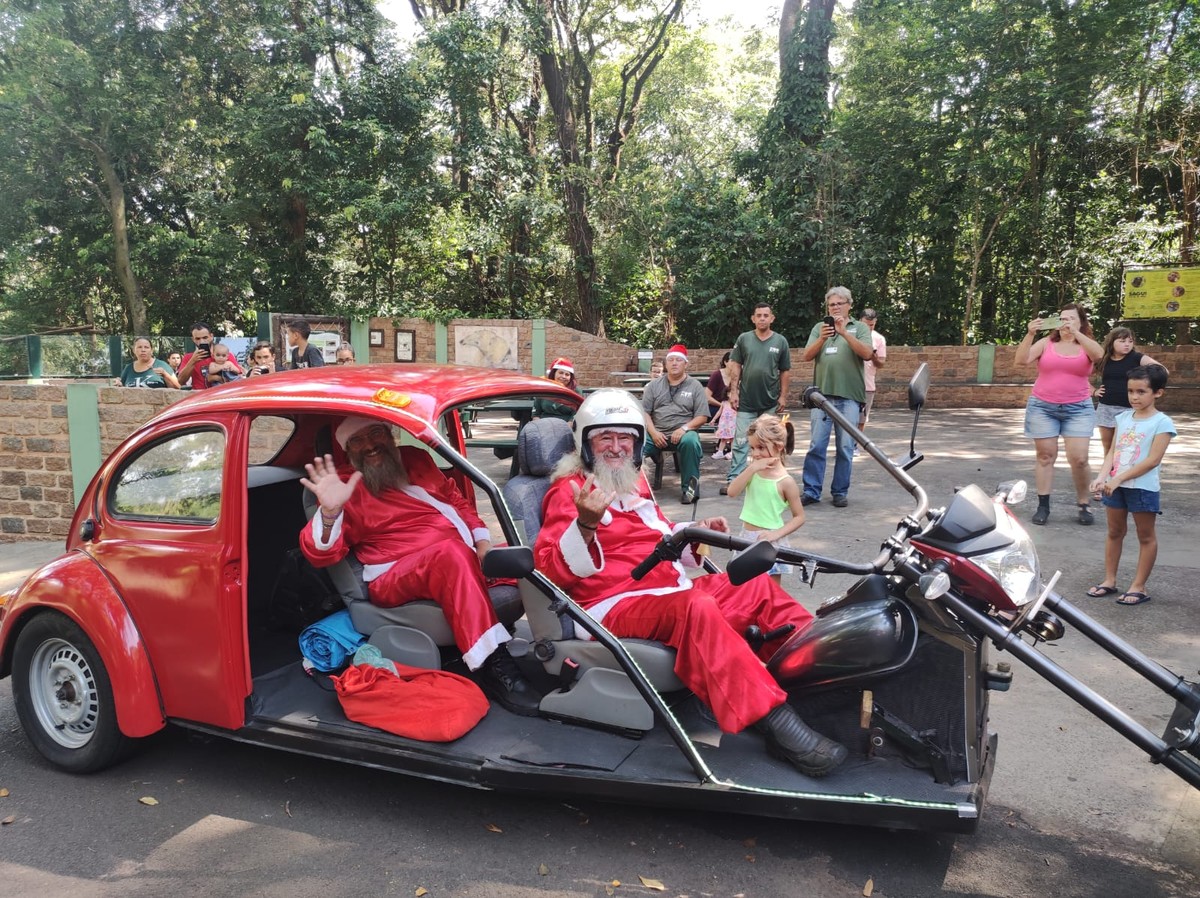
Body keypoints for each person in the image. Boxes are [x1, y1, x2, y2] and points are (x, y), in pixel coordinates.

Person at [533, 389, 846, 778]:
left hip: (664, 591)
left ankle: (824, 678)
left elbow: (658, 536)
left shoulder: (632, 483)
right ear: (586, 442)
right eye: (605, 438)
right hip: (610, 604)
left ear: (636, 443)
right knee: (695, 608)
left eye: (625, 438)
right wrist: (585, 523)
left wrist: (692, 532)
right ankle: (778, 724)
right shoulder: (568, 491)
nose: (616, 447)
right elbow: (546, 569)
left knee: (757, 586)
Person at [299, 417, 541, 715]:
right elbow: (320, 553)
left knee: (535, 553)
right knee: (450, 554)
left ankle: (573, 641)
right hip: (393, 575)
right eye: (357, 441)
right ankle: (493, 664)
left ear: (390, 434)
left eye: (375, 433)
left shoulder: (415, 459)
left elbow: (456, 499)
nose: (370, 445)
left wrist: (482, 543)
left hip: (459, 557)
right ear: (347, 450)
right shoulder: (344, 486)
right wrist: (329, 512)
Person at [1086, 365, 1175, 607]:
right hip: (1115, 486)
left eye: (1141, 391)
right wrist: (1102, 476)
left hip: (1142, 487)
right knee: (1114, 532)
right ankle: (1109, 580)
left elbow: (1152, 460)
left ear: (1158, 393)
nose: (1134, 397)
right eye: (1131, 391)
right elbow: (1113, 452)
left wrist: (1118, 479)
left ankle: (1139, 586)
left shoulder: (1162, 423)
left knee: (1145, 536)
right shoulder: (1123, 418)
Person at [1015, 302, 1104, 526]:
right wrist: (1030, 333)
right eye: (1062, 318)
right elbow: (1021, 360)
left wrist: (1076, 334)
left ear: (1081, 322)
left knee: (1080, 459)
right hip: (1043, 407)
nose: (1066, 322)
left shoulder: (1086, 345)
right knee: (1045, 456)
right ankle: (1043, 505)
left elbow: (1099, 355)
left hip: (1078, 408)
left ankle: (1084, 504)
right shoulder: (1046, 343)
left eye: (1071, 318)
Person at [800, 287, 874, 508]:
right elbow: (805, 356)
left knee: (845, 447)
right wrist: (822, 339)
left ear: (849, 305)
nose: (835, 307)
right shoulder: (819, 328)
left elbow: (867, 353)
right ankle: (811, 491)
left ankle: (840, 492)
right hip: (820, 398)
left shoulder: (859, 328)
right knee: (816, 446)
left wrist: (843, 332)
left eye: (840, 303)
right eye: (831, 304)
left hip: (849, 397)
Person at [726, 414, 805, 584]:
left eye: (761, 448)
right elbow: (732, 492)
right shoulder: (753, 471)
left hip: (770, 541)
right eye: (752, 448)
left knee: (770, 591)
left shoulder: (786, 481)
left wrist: (775, 534)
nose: (755, 454)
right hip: (746, 537)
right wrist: (752, 469)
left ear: (779, 446)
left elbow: (799, 517)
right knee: (744, 588)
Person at [722, 304, 792, 495]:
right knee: (740, 441)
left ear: (772, 318)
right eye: (758, 315)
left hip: (769, 401)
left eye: (766, 315)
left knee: (769, 441)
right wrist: (733, 392)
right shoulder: (744, 339)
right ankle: (734, 480)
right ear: (753, 318)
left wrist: (783, 395)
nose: (762, 318)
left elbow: (785, 371)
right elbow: (735, 366)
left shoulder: (780, 341)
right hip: (746, 401)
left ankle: (770, 479)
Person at [641, 344, 709, 504]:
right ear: (666, 364)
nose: (674, 363)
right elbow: (645, 413)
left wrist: (684, 428)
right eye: (670, 360)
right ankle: (635, 490)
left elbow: (702, 416)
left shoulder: (695, 386)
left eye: (679, 360)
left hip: (684, 432)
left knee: (691, 442)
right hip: (656, 432)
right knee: (634, 444)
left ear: (686, 364)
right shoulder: (654, 386)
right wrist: (653, 432)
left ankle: (690, 491)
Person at [1093, 327, 1165, 460]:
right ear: (1112, 342)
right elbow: (1080, 374)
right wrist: (1093, 391)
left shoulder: (1137, 358)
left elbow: (1161, 370)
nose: (1127, 344)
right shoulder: (1104, 358)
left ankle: (1126, 474)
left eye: (1130, 341)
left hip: (1128, 409)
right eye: (1122, 341)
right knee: (1108, 448)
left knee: (1126, 448)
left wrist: (1147, 388)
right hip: (1106, 408)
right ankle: (1108, 475)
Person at [176, 321, 241, 390]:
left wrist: (217, 377)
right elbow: (181, 381)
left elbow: (238, 377)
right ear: (193, 339)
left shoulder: (224, 355)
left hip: (222, 395)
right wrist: (193, 361)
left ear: (211, 336)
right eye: (197, 338)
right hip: (200, 396)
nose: (201, 341)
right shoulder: (189, 357)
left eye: (205, 337)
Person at [858, 308, 887, 439]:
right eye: (866, 324)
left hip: (867, 386)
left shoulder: (879, 339)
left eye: (872, 325)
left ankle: (854, 445)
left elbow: (881, 364)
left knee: (861, 419)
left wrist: (873, 357)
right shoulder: (850, 335)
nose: (869, 327)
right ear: (859, 321)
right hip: (849, 385)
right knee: (845, 419)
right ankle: (844, 447)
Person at [532, 357, 581, 421]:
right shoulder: (543, 389)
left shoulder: (575, 391)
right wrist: (540, 427)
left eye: (567, 374)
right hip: (544, 424)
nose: (563, 376)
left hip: (566, 425)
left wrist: (569, 425)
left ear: (570, 377)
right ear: (554, 373)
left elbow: (577, 414)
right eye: (560, 373)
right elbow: (536, 414)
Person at [706, 351, 732, 420]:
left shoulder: (738, 377)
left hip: (732, 409)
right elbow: (707, 397)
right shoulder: (716, 375)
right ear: (725, 362)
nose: (735, 364)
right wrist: (723, 405)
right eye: (732, 361)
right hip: (716, 408)